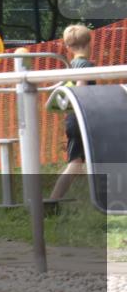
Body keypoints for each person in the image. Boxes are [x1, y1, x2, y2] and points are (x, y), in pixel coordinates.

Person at [49, 24, 94, 201]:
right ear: (90, 43)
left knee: (79, 163)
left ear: (68, 47)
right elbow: (80, 92)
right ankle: (53, 200)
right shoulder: (84, 66)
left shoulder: (70, 65)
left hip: (73, 118)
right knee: (75, 164)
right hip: (82, 119)